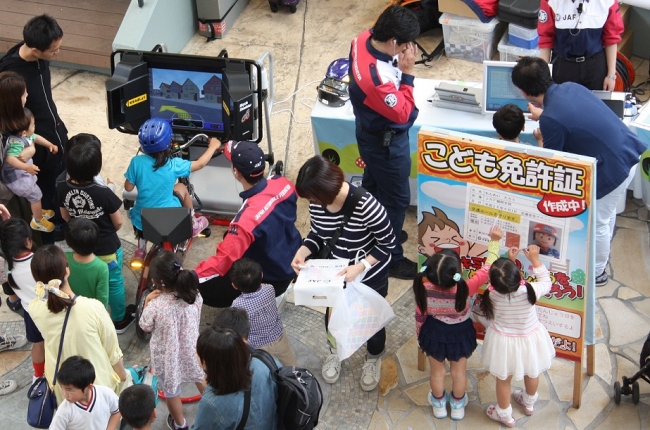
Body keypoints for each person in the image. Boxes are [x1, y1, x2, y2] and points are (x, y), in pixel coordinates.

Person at [512, 56, 646, 286]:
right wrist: (544, 117)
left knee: (599, 224)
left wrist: (542, 136)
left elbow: (553, 163)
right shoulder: (570, 87)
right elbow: (575, 116)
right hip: (627, 151)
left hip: (613, 170)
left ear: (523, 92)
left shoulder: (552, 119)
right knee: (607, 215)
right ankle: (599, 264)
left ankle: (597, 273)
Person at [291, 155, 396, 392]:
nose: (312, 202)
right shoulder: (317, 203)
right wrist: (303, 250)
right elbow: (319, 234)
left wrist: (360, 267)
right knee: (332, 317)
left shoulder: (366, 205)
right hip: (335, 274)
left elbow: (387, 243)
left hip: (368, 276)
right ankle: (335, 353)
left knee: (372, 320)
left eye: (313, 197)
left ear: (327, 190)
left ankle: (373, 358)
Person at [348, 5, 420, 280]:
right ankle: (391, 258)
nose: (408, 50)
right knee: (397, 197)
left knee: (374, 184)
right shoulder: (377, 79)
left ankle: (371, 229)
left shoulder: (362, 37)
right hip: (386, 142)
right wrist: (408, 73)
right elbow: (406, 114)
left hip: (367, 130)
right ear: (393, 42)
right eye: (405, 46)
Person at [193, 140, 301, 307]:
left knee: (200, 288)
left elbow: (222, 261)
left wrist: (191, 276)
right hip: (291, 260)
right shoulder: (283, 184)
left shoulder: (244, 224)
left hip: (271, 279)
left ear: (236, 172)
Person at [413, 226, 502, 420]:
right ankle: (458, 406)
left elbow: (419, 315)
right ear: (457, 272)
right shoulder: (466, 287)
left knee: (437, 373)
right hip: (460, 333)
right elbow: (488, 268)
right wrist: (494, 241)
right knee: (458, 373)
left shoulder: (423, 287)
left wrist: (420, 335)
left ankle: (438, 406)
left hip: (434, 332)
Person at [27, 245, 128, 404]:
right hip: (96, 386)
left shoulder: (34, 307)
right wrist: (124, 378)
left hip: (63, 387)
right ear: (67, 270)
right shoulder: (93, 307)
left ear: (37, 280)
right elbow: (112, 351)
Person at [0, 15, 68, 243]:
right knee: (45, 192)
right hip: (35, 149)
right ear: (36, 50)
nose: (57, 53)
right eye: (53, 51)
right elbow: (9, 121)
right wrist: (25, 150)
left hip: (54, 132)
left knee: (61, 182)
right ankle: (51, 233)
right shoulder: (12, 75)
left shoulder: (38, 53)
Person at [57, 134, 134, 332]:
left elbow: (64, 215)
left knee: (85, 277)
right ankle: (119, 319)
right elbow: (118, 222)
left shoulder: (61, 185)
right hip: (106, 247)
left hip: (78, 243)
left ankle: (85, 313)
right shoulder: (104, 192)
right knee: (114, 281)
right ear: (97, 167)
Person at [125, 118, 220, 265]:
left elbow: (128, 188)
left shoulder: (136, 162)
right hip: (169, 216)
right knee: (182, 188)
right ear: (169, 143)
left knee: (140, 213)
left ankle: (141, 249)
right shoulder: (173, 165)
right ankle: (193, 223)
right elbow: (200, 163)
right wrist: (213, 146)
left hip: (142, 217)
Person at [481, 245, 555, 427]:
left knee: (504, 379)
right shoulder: (529, 289)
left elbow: (504, 284)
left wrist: (508, 262)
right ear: (520, 277)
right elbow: (547, 282)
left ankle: (505, 415)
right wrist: (535, 259)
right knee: (533, 371)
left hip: (504, 343)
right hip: (529, 340)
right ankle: (529, 404)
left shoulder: (491, 294)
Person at [139, 250, 205, 430]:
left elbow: (144, 326)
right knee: (200, 377)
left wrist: (146, 303)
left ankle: (180, 423)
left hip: (167, 357)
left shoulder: (156, 306)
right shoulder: (194, 294)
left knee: (171, 391)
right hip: (192, 349)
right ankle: (213, 405)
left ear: (155, 282)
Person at [194, 327, 278, 430]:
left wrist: (208, 392)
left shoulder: (211, 404)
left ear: (208, 362)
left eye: (198, 353)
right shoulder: (264, 362)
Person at [537, 0, 623, 91]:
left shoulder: (607, 2)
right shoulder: (550, 2)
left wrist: (611, 75)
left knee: (595, 103)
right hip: (563, 66)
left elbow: (611, 38)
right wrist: (544, 76)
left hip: (595, 66)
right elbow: (545, 38)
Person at [0, 218, 45, 382]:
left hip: (30, 312)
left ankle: (38, 376)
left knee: (38, 344)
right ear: (28, 240)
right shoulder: (41, 260)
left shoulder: (6, 265)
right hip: (49, 311)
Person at [231, 258, 297, 366]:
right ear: (261, 275)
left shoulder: (237, 305)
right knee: (290, 363)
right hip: (278, 337)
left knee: (266, 366)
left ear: (234, 285)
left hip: (257, 345)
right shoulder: (270, 289)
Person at [2, 108, 58, 232]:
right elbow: (10, 159)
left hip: (22, 173)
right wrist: (26, 167)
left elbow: (36, 137)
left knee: (33, 193)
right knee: (36, 195)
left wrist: (49, 145)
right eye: (33, 125)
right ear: (23, 132)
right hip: (16, 178)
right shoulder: (16, 143)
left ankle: (37, 209)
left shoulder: (26, 135)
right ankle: (37, 220)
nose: (35, 127)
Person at [49, 355, 121, 430]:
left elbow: (117, 410)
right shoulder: (64, 411)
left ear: (88, 387)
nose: (64, 394)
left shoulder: (106, 394)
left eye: (69, 390)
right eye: (61, 387)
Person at [64, 217, 109, 306]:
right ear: (97, 240)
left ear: (69, 243)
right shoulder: (102, 267)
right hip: (90, 313)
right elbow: (102, 298)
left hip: (68, 308)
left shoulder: (63, 258)